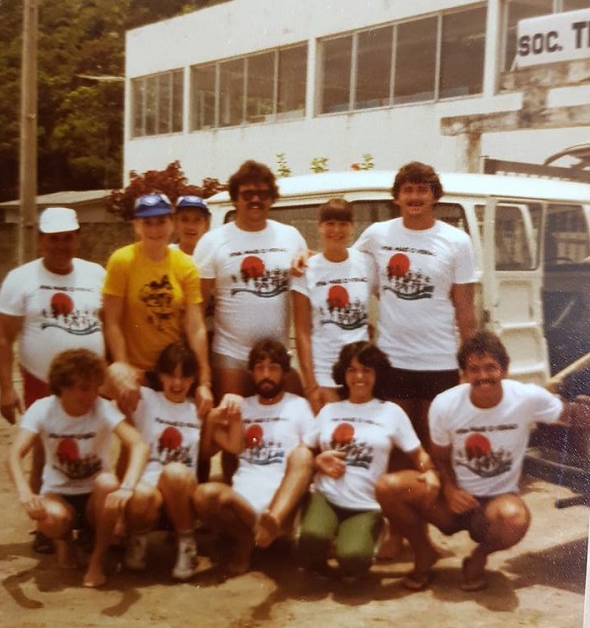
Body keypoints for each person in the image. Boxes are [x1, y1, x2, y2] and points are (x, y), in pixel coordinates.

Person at [374, 330, 590, 592]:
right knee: (388, 487)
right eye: (474, 369)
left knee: (515, 519)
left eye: (491, 367)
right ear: (463, 375)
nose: (483, 376)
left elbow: (573, 415)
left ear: (505, 370)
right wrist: (451, 489)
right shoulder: (445, 405)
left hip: (494, 504)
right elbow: (439, 458)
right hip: (451, 501)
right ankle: (423, 552)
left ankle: (478, 557)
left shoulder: (527, 397)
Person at [0, 206, 105, 552]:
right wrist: (6, 389)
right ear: (41, 241)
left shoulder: (95, 273)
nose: (61, 245)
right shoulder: (20, 279)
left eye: (68, 238)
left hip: (90, 381)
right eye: (54, 239)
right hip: (43, 378)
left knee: (92, 447)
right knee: (46, 448)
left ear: (77, 238)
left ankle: (89, 518)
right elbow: (2, 338)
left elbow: (110, 323)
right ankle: (47, 525)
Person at [353, 161, 477, 447]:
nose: (415, 197)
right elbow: (343, 266)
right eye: (408, 190)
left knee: (436, 445)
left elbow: (465, 311)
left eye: (423, 190)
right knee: (398, 445)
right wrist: (305, 257)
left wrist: (468, 366)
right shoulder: (378, 234)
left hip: (440, 359)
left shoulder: (457, 241)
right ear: (396, 197)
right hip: (392, 360)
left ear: (435, 196)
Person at [5, 349, 149, 588]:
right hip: (59, 494)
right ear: (62, 387)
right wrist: (24, 492)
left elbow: (138, 445)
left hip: (94, 497)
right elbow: (13, 454)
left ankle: (96, 562)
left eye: (95, 387)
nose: (92, 394)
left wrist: (127, 487)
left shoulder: (102, 408)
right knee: (50, 519)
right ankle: (65, 543)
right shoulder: (43, 409)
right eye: (84, 388)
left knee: (108, 484)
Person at [297, 341, 437, 580]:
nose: (359, 376)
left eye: (367, 370)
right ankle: (321, 547)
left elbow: (419, 454)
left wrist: (430, 472)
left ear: (377, 374)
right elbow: (304, 451)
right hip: (326, 495)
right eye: (351, 370)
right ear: (343, 374)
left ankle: (366, 533)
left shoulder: (391, 412)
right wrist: (318, 461)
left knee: (353, 560)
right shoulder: (330, 411)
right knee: (310, 543)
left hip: (364, 504)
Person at [194, 339, 314, 575]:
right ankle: (250, 537)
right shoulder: (242, 407)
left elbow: (310, 455)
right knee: (202, 495)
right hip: (243, 504)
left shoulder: (299, 406)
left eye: (273, 368)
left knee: (304, 455)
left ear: (285, 373)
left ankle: (268, 530)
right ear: (251, 373)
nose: (266, 374)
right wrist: (211, 420)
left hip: (281, 504)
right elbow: (210, 450)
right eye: (259, 368)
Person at [193, 160, 307, 399]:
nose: (256, 200)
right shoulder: (212, 242)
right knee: (232, 425)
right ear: (235, 199)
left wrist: (310, 254)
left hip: (277, 358)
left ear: (272, 198)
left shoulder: (290, 236)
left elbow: (314, 264)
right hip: (231, 356)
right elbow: (196, 314)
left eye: (263, 194)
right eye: (247, 194)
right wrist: (203, 372)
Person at [102, 193, 212, 418]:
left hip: (172, 372)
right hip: (136, 371)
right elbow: (111, 320)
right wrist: (123, 367)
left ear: (171, 224)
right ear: (136, 226)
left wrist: (204, 381)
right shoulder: (121, 261)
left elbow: (196, 327)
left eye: (161, 221)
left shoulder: (185, 266)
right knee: (136, 443)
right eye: (147, 222)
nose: (155, 229)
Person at [124, 342, 208, 581]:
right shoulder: (147, 400)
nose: (177, 383)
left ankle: (187, 545)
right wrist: (129, 376)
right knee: (139, 494)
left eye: (185, 377)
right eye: (170, 375)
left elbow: (212, 448)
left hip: (183, 489)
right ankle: (138, 539)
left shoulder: (197, 410)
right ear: (160, 376)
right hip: (150, 490)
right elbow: (108, 385)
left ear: (193, 380)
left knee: (174, 472)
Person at [292, 198, 377, 414]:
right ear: (319, 227)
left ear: (352, 227)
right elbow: (302, 332)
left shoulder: (367, 263)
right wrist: (311, 385)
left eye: (343, 224)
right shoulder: (306, 269)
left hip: (361, 372)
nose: (336, 230)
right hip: (324, 373)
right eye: (329, 223)